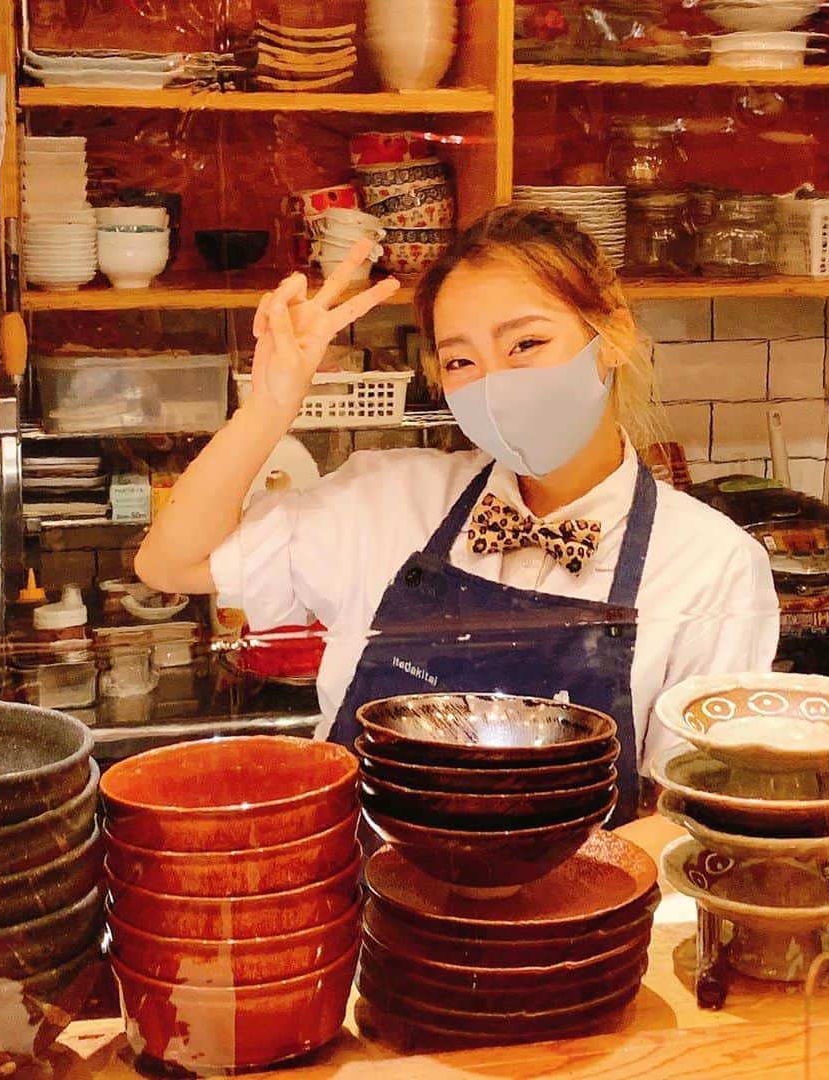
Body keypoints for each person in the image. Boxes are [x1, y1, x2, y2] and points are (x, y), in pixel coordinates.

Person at [135, 206, 779, 825]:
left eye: (525, 343)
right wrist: (268, 406)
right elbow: (171, 562)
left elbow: (691, 816)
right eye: (461, 361)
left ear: (611, 335)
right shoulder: (390, 499)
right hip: (364, 909)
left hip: (569, 924)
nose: (494, 384)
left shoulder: (710, 564)